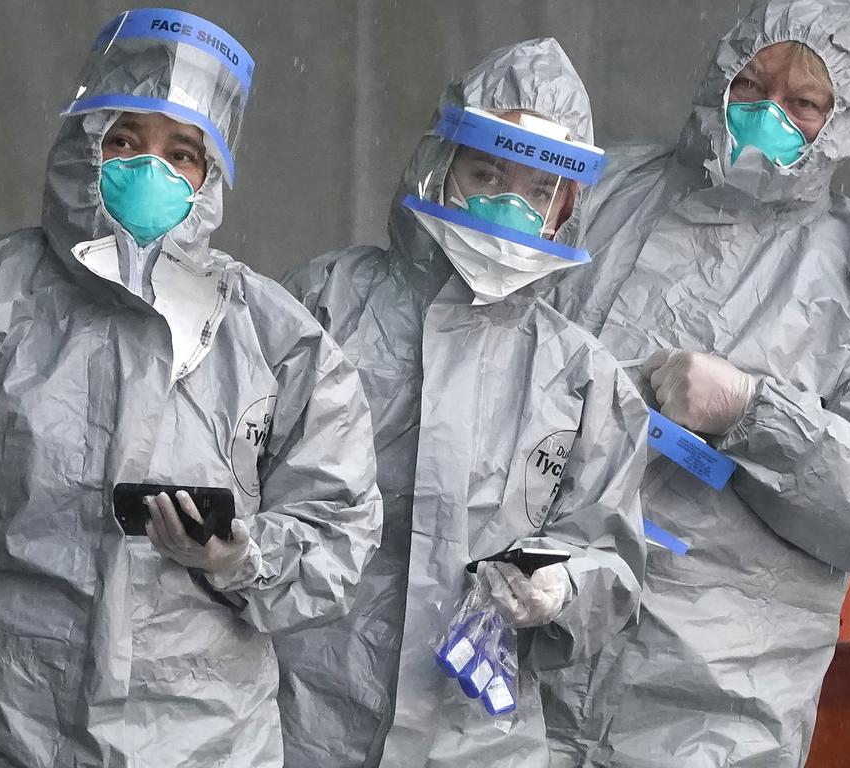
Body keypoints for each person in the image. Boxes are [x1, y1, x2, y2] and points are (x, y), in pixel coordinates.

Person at [0, 9, 381, 767]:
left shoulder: (276, 340)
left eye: (183, 154)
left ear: (212, 176)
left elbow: (340, 530)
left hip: (199, 740)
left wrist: (242, 558)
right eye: (125, 141)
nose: (149, 169)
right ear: (83, 143)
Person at [541, 0, 850, 766]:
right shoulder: (605, 192)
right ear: (719, 78)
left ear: (846, 114)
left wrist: (757, 415)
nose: (768, 115)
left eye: (802, 102)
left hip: (710, 703)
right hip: (530, 649)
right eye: (752, 86)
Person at [277, 38, 647, 767]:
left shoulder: (582, 375)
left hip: (476, 736)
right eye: (487, 172)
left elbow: (611, 558)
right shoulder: (326, 303)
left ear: (565, 206)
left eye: (538, 190)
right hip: (310, 711)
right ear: (438, 166)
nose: (508, 203)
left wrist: (561, 589)